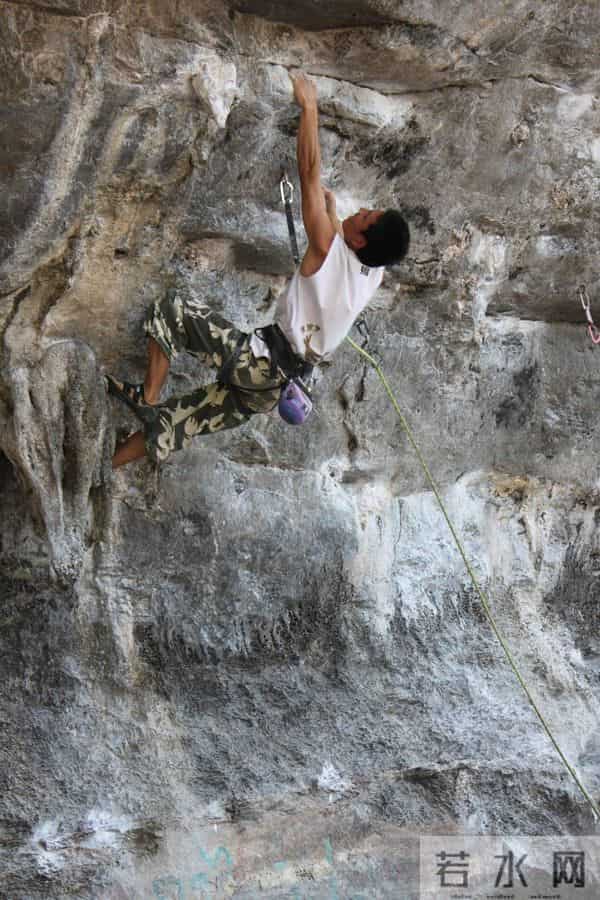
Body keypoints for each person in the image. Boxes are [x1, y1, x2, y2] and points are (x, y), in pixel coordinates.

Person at [107, 71, 410, 468]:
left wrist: (309, 107)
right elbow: (341, 246)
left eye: (367, 216)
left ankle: (147, 394)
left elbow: (309, 171)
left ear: (359, 242)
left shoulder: (329, 245)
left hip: (260, 362)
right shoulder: (374, 273)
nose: (364, 211)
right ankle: (109, 466)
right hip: (275, 390)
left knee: (172, 310)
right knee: (175, 424)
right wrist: (335, 217)